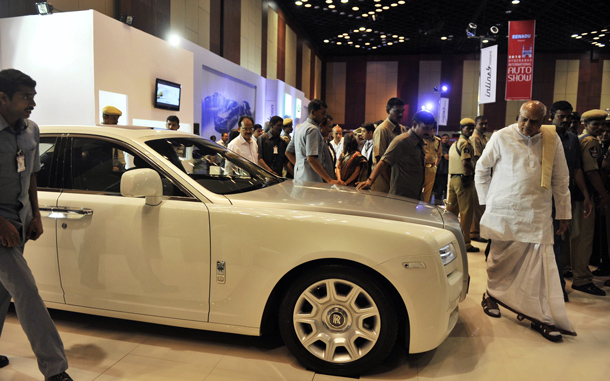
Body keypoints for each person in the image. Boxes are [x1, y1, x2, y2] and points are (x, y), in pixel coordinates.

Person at [476, 100, 575, 342]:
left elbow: (561, 178)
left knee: (539, 266)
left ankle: (540, 315)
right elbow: (482, 168)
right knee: (499, 259)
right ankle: (492, 295)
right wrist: (488, 203)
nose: (527, 125)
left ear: (544, 121)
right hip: (504, 211)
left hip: (537, 212)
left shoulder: (552, 140)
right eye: (524, 119)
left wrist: (563, 212)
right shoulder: (501, 136)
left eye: (534, 121)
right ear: (518, 115)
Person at [0, 69, 72, 381]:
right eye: (25, 97)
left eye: (33, 96)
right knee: (26, 291)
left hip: (21, 221)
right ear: (2, 98)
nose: (33, 102)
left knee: (3, 293)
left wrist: (37, 215)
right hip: (0, 226)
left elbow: (30, 174)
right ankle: (55, 370)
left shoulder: (31, 130)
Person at [550, 101, 592, 301]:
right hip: (543, 197)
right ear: (552, 116)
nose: (566, 120)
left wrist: (585, 194)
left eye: (569, 117)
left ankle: (558, 286)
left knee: (559, 240)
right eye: (561, 116)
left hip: (564, 196)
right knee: (550, 242)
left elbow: (576, 170)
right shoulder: (543, 136)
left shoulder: (573, 139)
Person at [570, 109, 609, 296]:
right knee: (584, 238)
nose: (601, 128)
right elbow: (591, 172)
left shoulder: (578, 138)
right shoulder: (591, 142)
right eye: (596, 124)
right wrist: (604, 194)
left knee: (575, 236)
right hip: (585, 197)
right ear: (585, 124)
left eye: (603, 124)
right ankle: (582, 279)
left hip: (575, 195)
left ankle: (571, 270)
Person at [357, 110, 433, 200]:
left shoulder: (419, 142)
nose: (429, 132)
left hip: (414, 196)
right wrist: (370, 181)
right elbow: (384, 161)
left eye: (431, 129)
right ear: (415, 125)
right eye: (425, 128)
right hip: (401, 197)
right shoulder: (402, 141)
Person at [285, 99, 343, 185]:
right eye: (322, 113)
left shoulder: (300, 127)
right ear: (313, 112)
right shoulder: (313, 129)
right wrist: (329, 179)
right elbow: (311, 158)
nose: (325, 116)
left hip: (300, 178)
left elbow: (288, 152)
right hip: (312, 180)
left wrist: (301, 166)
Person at [447, 118, 479, 253]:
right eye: (467, 128)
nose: (471, 130)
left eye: (472, 127)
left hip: (453, 179)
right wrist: (476, 172)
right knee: (466, 212)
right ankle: (465, 243)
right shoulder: (465, 144)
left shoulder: (454, 144)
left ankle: (447, 238)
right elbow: (466, 163)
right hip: (464, 180)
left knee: (451, 213)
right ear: (461, 128)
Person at [372, 97, 407, 193]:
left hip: (396, 180)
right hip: (384, 181)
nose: (401, 114)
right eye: (397, 111)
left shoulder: (403, 129)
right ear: (388, 111)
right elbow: (380, 159)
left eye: (402, 111)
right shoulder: (382, 130)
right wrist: (390, 183)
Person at [470, 116, 489, 242]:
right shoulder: (475, 138)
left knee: (482, 205)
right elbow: (477, 159)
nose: (483, 126)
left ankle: (479, 231)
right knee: (477, 205)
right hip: (478, 174)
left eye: (485, 124)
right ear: (476, 124)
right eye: (481, 124)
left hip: (486, 174)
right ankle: (474, 233)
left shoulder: (484, 138)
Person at [421, 126, 442, 203]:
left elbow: (439, 155)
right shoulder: (421, 139)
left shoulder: (437, 141)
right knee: (417, 189)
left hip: (431, 168)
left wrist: (435, 166)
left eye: (430, 129)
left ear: (434, 130)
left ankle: (424, 208)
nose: (428, 131)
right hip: (421, 168)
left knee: (428, 192)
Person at [433, 134, 451, 205]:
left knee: (446, 189)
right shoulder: (441, 147)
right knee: (439, 189)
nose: (445, 139)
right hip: (441, 171)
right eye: (443, 138)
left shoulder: (450, 147)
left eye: (446, 138)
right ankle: (437, 204)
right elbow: (446, 156)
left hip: (447, 171)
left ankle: (444, 204)